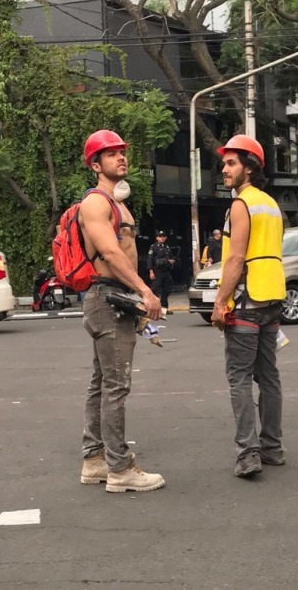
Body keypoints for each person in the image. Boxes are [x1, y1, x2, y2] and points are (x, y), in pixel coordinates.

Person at [78, 129, 165, 493]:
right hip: (106, 299)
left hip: (115, 298)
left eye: (122, 152)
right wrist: (146, 291)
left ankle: (95, 460)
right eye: (111, 154)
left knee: (102, 383)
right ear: (95, 164)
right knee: (116, 386)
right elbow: (111, 253)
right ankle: (118, 469)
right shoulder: (96, 203)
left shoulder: (117, 203)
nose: (121, 157)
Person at [211, 135, 286, 479]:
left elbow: (236, 258)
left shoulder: (241, 205)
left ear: (250, 167)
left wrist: (220, 302)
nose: (224, 169)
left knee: (239, 378)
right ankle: (272, 449)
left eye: (231, 163)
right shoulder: (271, 204)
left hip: (245, 301)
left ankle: (248, 454)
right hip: (272, 298)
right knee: (269, 377)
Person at [147, 231, 175, 315]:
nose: (162, 238)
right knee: (155, 290)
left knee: (166, 290)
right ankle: (154, 308)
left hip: (166, 271)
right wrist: (151, 272)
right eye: (160, 236)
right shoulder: (154, 247)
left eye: (163, 236)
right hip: (157, 271)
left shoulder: (166, 246)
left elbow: (171, 256)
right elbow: (150, 260)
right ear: (157, 238)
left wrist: (172, 260)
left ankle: (164, 309)